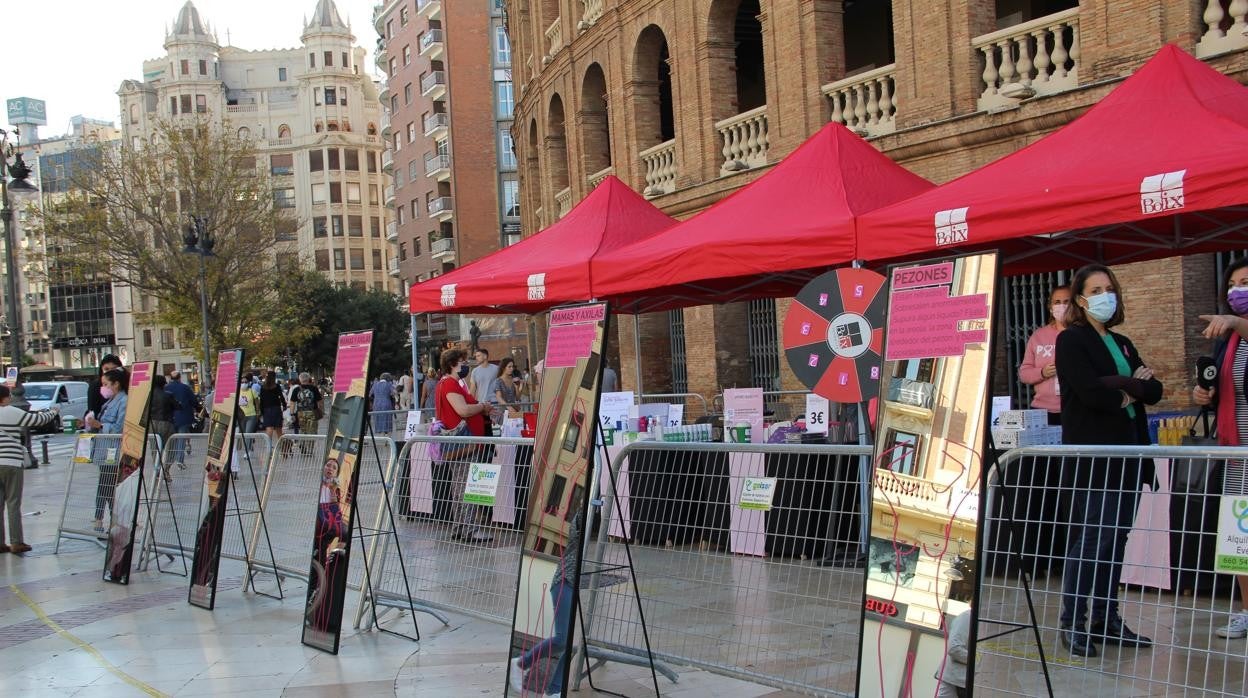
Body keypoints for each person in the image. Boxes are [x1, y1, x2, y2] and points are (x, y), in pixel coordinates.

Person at [1054, 263, 1162, 657]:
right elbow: (1089, 393)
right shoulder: (1072, 341)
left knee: (1117, 539)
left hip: (1130, 454)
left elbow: (1155, 389)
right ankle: (1073, 622)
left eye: (1108, 287)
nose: (1104, 295)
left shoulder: (1124, 341)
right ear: (1081, 300)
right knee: (1094, 539)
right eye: (1095, 289)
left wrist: (1123, 387)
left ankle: (1106, 618)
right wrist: (1130, 386)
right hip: (1096, 456)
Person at [1192, 256, 1248, 639]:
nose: (1237, 290)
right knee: (1239, 536)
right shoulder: (1227, 341)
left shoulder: (1235, 329)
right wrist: (1204, 395)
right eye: (1233, 284)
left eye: (1245, 281)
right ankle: (1247, 610)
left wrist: (1236, 322)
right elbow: (1220, 389)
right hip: (1237, 449)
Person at [510, 497, 585, 696]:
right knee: (563, 639)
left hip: (572, 583)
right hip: (564, 580)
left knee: (568, 642)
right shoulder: (583, 517)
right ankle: (520, 663)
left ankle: (553, 691)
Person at [435, 349, 495, 542]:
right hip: (465, 442)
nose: (466, 365)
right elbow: (463, 410)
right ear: (453, 364)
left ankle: (461, 527)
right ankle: (470, 528)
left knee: (459, 484)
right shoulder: (450, 384)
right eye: (463, 362)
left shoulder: (447, 383)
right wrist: (482, 407)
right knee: (468, 485)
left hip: (460, 443)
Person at [0, 385, 58, 554]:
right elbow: (37, 421)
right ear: (5, 398)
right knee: (13, 503)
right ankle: (16, 542)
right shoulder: (11, 411)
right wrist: (53, 412)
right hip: (11, 463)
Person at [1018, 286, 1072, 425]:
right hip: (1042, 411)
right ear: (1050, 306)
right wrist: (1042, 372)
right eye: (1057, 302)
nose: (1062, 306)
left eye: (1066, 302)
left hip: (1075, 409)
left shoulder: (1082, 334)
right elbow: (1024, 373)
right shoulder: (1038, 336)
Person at [86, 367, 129, 531]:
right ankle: (110, 517)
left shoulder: (123, 401)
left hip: (113, 449)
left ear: (116, 384)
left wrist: (101, 425)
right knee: (107, 484)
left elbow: (119, 428)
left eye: (106, 384)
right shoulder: (110, 402)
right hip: (104, 449)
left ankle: (101, 517)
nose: (103, 388)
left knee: (106, 483)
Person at [166, 370, 198, 466]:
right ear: (180, 378)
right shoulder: (185, 388)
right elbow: (193, 401)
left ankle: (169, 460)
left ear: (170, 379)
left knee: (172, 439)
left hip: (170, 417)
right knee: (181, 438)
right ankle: (180, 460)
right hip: (183, 417)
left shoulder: (166, 388)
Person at [148, 375, 176, 478]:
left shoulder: (149, 395)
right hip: (167, 423)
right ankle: (166, 469)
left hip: (153, 424)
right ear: (164, 384)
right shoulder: (168, 395)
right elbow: (178, 406)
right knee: (171, 447)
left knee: (155, 449)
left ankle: (158, 470)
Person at [291, 373, 323, 452]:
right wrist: (321, 410)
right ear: (308, 379)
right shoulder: (314, 388)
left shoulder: (296, 389)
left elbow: (292, 403)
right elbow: (320, 401)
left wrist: (292, 413)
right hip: (312, 412)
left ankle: (302, 444)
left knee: (303, 430)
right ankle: (310, 449)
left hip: (300, 413)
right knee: (312, 431)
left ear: (300, 380)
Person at [87, 354, 122, 424]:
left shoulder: (126, 386)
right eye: (106, 369)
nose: (110, 372)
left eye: (113, 369)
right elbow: (92, 410)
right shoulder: (95, 386)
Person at [258, 373, 288, 453]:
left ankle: (268, 448)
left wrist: (261, 411)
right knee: (278, 429)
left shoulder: (263, 387)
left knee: (269, 428)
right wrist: (284, 405)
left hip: (267, 409)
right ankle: (283, 448)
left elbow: (261, 400)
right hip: (276, 409)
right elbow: (281, 396)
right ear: (274, 377)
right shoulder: (276, 386)